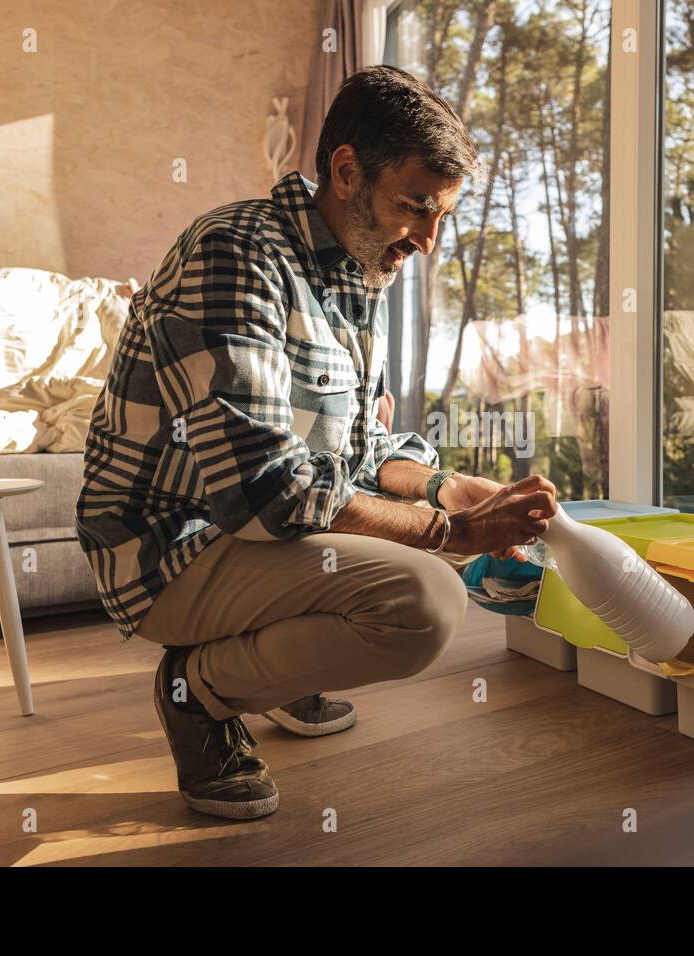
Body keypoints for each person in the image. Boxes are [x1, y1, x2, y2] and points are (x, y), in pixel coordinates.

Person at [76, 66, 558, 820]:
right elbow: (267, 493)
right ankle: (196, 693)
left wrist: (445, 489)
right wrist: (454, 533)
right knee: (425, 599)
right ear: (344, 171)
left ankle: (266, 664)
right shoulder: (235, 257)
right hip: (168, 549)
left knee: (415, 540)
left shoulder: (361, 274)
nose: (429, 240)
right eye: (415, 207)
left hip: (250, 538)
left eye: (443, 216)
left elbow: (359, 451)